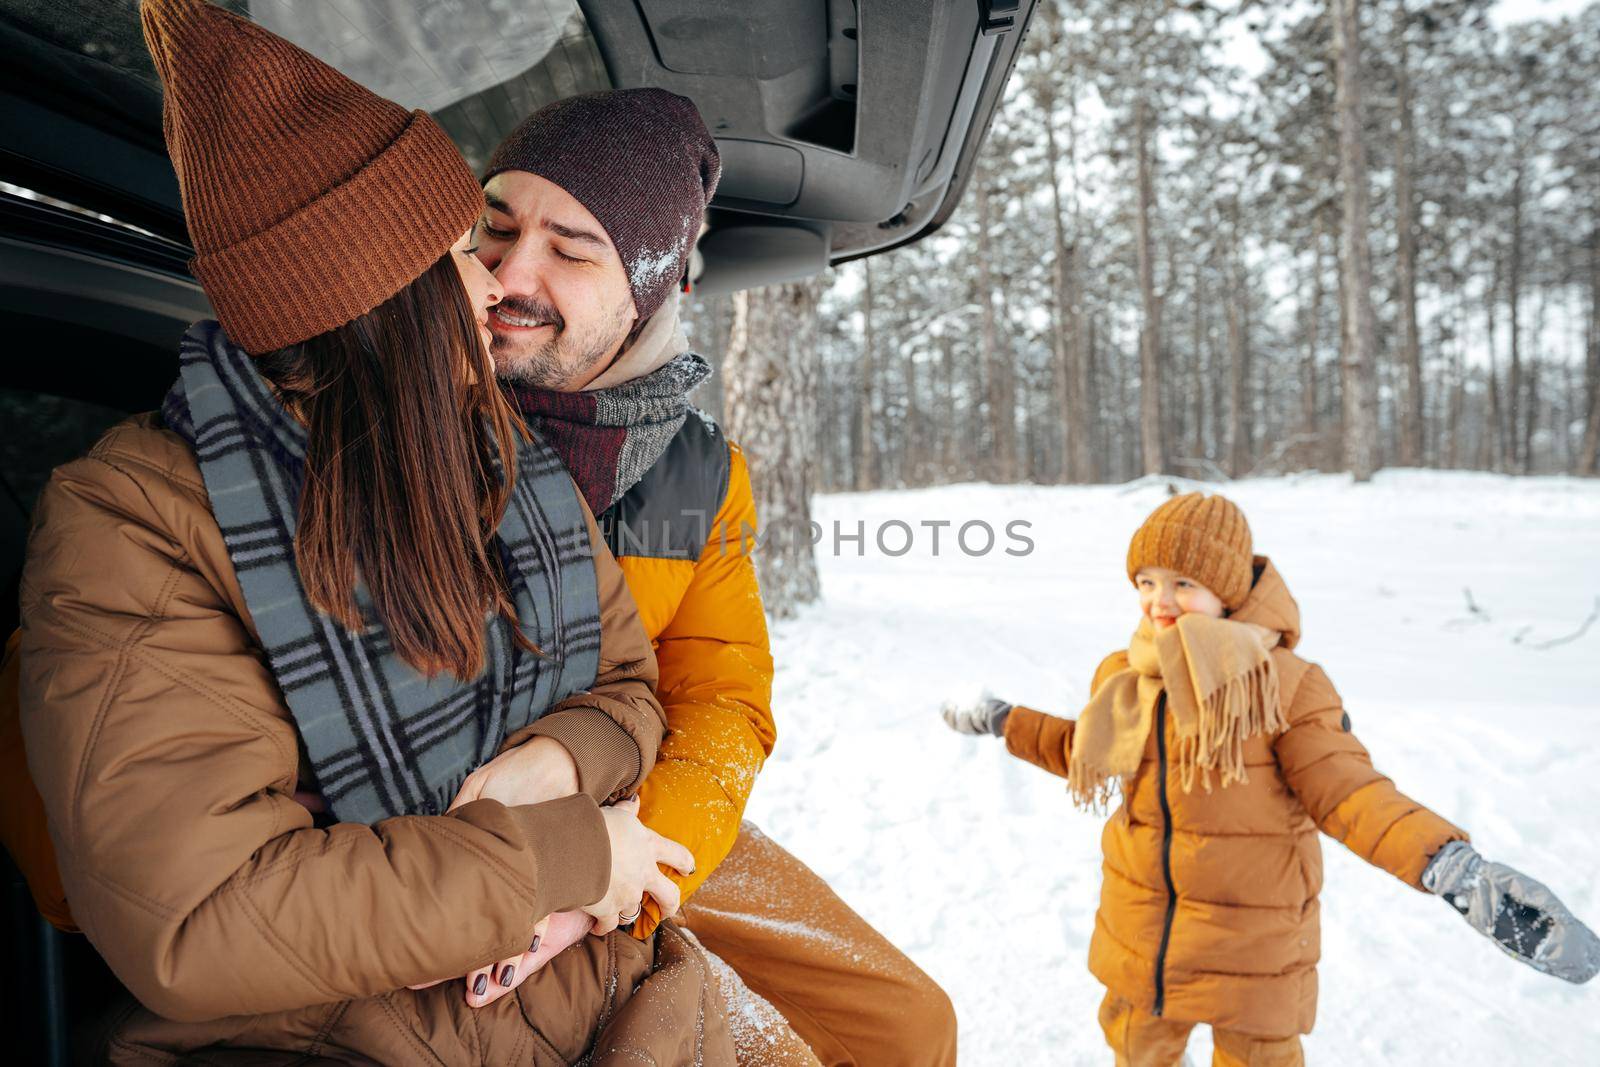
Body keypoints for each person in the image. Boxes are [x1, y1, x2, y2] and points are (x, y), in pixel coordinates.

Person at [13, 2, 730, 1062]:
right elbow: (202, 917)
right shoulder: (140, 519)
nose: (494, 283)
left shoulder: (507, 460)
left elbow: (633, 687)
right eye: (464, 248)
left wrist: (556, 757)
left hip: (602, 992)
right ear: (375, 293)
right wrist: (559, 857)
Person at [463, 89, 959, 1065]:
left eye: (570, 247)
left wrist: (636, 863)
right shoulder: (406, 409)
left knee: (906, 1025)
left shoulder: (699, 472)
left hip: (643, 814)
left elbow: (724, 701)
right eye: (496, 227)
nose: (509, 273)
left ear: (652, 287)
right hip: (461, 835)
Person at [942, 492, 1598, 1067]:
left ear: (1227, 588)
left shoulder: (1284, 684)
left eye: (1182, 582)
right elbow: (1088, 747)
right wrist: (1006, 719)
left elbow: (1347, 790)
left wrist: (1447, 864)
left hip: (1254, 943)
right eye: (1145, 580)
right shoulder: (1129, 671)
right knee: (1137, 1047)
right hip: (1142, 928)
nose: (1159, 601)